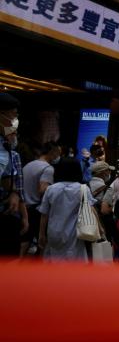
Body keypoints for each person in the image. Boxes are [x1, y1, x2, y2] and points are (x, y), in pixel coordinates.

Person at [37, 157, 91, 262]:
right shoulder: (83, 189)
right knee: (75, 265)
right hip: (76, 233)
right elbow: (90, 211)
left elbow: (44, 214)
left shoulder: (51, 189)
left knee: (54, 262)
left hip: (54, 231)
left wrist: (41, 234)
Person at [0, 92, 27, 256]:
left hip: (6, 213)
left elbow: (11, 180)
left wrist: (15, 192)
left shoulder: (8, 147)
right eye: (12, 115)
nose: (15, 120)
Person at [22, 141, 60, 254]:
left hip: (24, 207)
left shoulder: (29, 164)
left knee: (24, 241)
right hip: (36, 209)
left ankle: (16, 267)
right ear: (52, 152)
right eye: (57, 153)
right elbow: (43, 189)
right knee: (41, 242)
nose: (58, 157)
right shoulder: (48, 169)